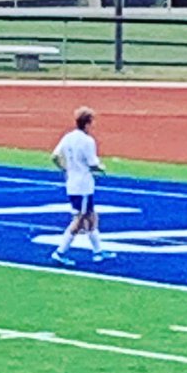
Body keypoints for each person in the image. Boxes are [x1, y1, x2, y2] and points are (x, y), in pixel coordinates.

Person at [50, 106, 116, 267]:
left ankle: (98, 251)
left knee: (91, 216)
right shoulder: (87, 141)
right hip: (83, 185)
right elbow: (93, 164)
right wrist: (102, 168)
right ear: (87, 123)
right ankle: (60, 251)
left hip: (73, 182)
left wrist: (65, 169)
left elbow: (55, 156)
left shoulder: (68, 137)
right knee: (80, 219)